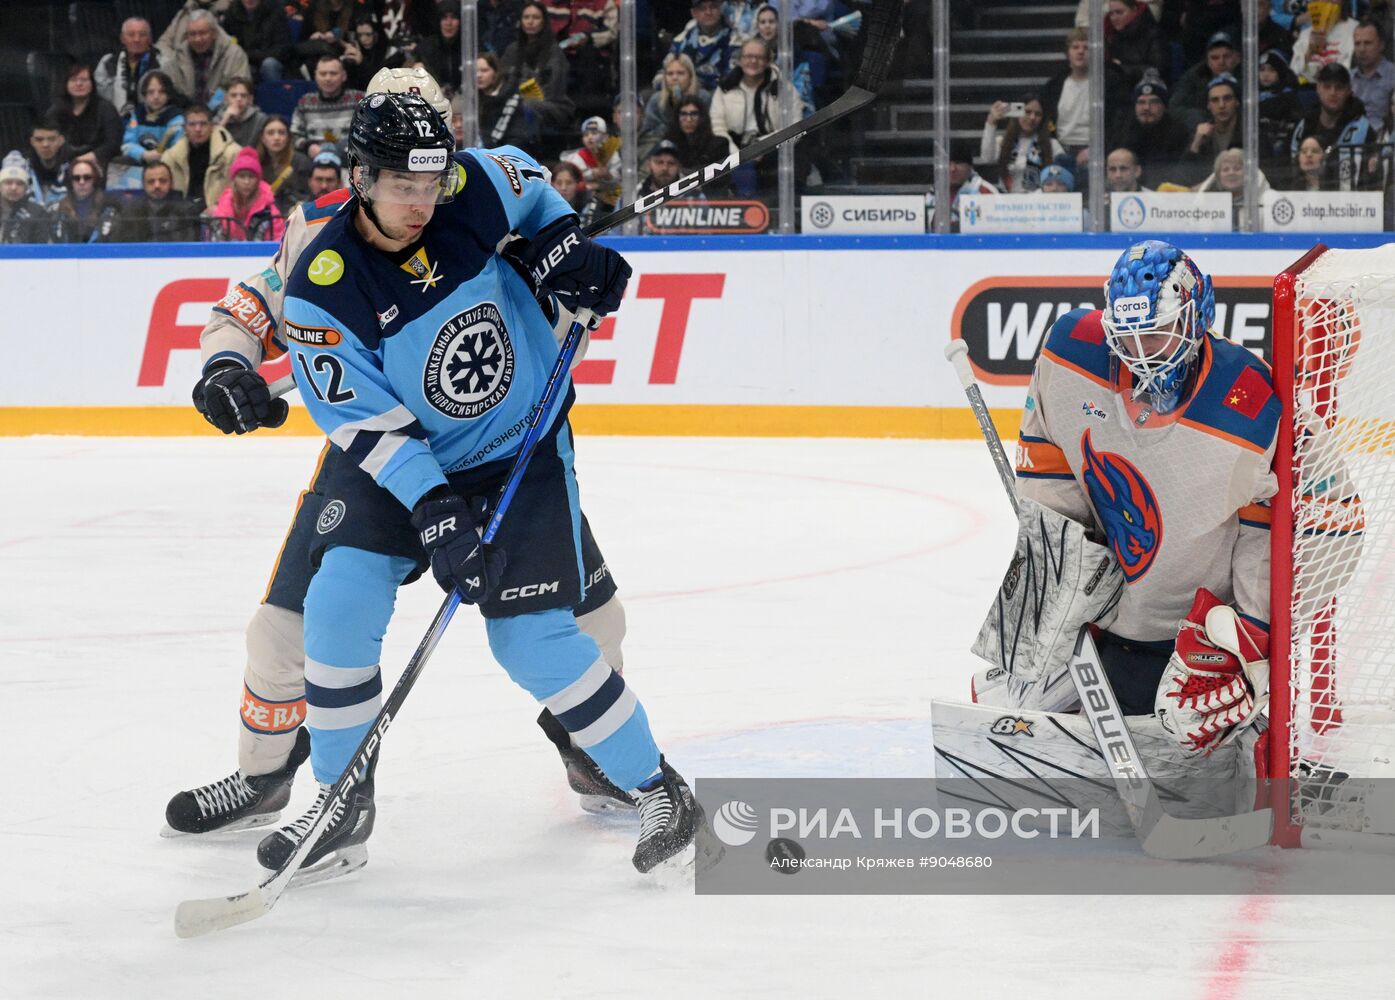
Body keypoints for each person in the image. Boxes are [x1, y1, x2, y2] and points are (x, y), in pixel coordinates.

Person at [164, 69, 640, 872]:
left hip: (498, 448)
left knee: (593, 618)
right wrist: (228, 365)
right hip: (381, 453)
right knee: (286, 631)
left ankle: (594, 751)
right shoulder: (324, 227)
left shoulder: (477, 194)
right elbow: (252, 307)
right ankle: (268, 775)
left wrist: (568, 266)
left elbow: (552, 288)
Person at [265, 92, 701, 877]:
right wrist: (436, 511)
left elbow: (529, 187)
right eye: (402, 186)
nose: (421, 203)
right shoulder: (322, 287)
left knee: (528, 639)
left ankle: (656, 785)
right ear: (360, 178)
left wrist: (562, 245)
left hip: (517, 449)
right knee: (336, 604)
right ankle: (339, 803)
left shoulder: (468, 187)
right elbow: (364, 422)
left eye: (430, 185)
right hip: (402, 465)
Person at [959, 241, 1283, 805]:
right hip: (1105, 608)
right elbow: (1049, 455)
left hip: (1191, 632)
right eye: (1126, 337)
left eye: (1154, 335)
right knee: (1005, 712)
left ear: (1196, 316)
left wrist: (1249, 632)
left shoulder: (1250, 398)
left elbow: (1271, 524)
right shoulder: (1070, 353)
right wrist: (1059, 561)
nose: (1139, 355)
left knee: (1195, 746)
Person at [1041, 27, 1125, 171]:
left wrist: (1099, 149)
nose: (1080, 51)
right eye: (1075, 47)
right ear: (1068, 52)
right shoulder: (1054, 85)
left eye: (1086, 47)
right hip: (1060, 151)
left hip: (1098, 153)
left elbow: (1119, 124)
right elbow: (1046, 121)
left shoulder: (1111, 83)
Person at [710, 39, 785, 196]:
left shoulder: (782, 88)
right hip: (733, 147)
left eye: (759, 57)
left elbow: (793, 125)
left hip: (770, 146)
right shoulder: (725, 87)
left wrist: (761, 146)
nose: (753, 61)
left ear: (768, 61)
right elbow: (717, 126)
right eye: (748, 56)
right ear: (740, 60)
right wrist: (737, 155)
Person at [499, 1, 574, 154]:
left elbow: (554, 89)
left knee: (526, 107)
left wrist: (524, 97)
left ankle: (526, 149)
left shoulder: (554, 51)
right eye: (526, 17)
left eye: (536, 17)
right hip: (517, 103)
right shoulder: (512, 50)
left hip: (552, 106)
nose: (530, 21)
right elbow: (502, 83)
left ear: (544, 21)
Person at [1289, 62, 1377, 191]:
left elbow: (1371, 178)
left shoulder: (1362, 129)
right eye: (1327, 86)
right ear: (1318, 88)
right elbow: (1291, 171)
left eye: (1339, 87)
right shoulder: (1304, 126)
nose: (1333, 92)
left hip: (1350, 200)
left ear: (1349, 90)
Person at [162, 9, 253, 108]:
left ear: (214, 33)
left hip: (224, 112)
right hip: (186, 113)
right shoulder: (177, 57)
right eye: (192, 34)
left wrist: (211, 109)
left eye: (202, 33)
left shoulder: (234, 55)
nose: (197, 39)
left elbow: (241, 91)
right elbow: (167, 90)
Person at [1113, 75, 1191, 188]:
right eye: (1141, 102)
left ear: (1164, 106)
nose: (1146, 107)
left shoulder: (1178, 132)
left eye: (1154, 102)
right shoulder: (1123, 130)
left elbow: (1179, 174)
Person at [47, 64, 125, 174]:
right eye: (73, 80)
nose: (79, 84)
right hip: (63, 164)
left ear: (92, 83)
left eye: (84, 80)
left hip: (99, 164)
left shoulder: (106, 109)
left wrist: (83, 160)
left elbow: (113, 143)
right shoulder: (56, 110)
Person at [163, 103, 242, 211]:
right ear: (184, 128)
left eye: (203, 124)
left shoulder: (233, 154)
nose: (198, 129)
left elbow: (239, 192)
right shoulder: (170, 157)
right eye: (192, 124)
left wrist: (219, 207)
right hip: (181, 215)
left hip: (219, 214)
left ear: (212, 126)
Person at [980, 95, 1065, 194]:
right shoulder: (1002, 142)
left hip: (1040, 199)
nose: (1032, 117)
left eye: (1038, 114)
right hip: (1008, 199)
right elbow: (987, 158)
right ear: (1017, 113)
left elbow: (1064, 175)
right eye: (1027, 112)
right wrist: (991, 122)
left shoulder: (1052, 145)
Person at [291, 55, 365, 158]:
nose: (328, 78)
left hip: (350, 158)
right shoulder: (305, 102)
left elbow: (369, 134)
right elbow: (293, 136)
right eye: (323, 74)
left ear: (344, 76)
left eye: (333, 73)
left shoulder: (359, 99)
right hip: (315, 161)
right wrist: (308, 147)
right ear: (315, 76)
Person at [208, 145, 286, 240]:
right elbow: (213, 243)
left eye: (251, 177)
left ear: (258, 180)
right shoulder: (220, 209)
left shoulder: (270, 212)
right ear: (234, 179)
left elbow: (278, 242)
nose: (246, 182)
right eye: (241, 176)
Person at [1171, 30, 1242, 131]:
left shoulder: (1249, 75)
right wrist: (1201, 119)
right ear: (1208, 61)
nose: (1221, 62)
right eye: (1215, 58)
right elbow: (1175, 107)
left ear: (1238, 58)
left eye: (1226, 56)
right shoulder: (1195, 75)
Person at [96, 17, 163, 119]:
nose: (137, 39)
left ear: (149, 39)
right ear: (122, 38)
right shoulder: (107, 62)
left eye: (142, 35)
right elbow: (101, 98)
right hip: (116, 120)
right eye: (131, 35)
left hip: (154, 120)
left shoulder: (163, 63)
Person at [119, 161, 201, 241]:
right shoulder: (131, 211)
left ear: (172, 184)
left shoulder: (187, 211)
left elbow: (191, 246)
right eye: (151, 182)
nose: (157, 186)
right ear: (144, 185)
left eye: (163, 181)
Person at [669, 0, 739, 94]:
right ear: (694, 13)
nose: (708, 12)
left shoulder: (734, 40)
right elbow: (665, 71)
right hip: (683, 90)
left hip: (718, 93)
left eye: (713, 7)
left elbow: (732, 77)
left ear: (720, 9)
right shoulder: (681, 40)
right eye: (702, 8)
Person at [1183, 74, 1242, 183]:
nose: (1221, 105)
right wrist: (1196, 144)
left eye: (1227, 98)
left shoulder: (1250, 132)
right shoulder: (1201, 134)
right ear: (1208, 105)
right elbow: (1183, 177)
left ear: (1237, 102)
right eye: (1215, 100)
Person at [220, 0, 294, 82]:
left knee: (269, 64)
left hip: (270, 58)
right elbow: (226, 43)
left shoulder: (275, 11)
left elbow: (283, 48)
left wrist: (251, 55)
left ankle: (274, 90)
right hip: (244, 60)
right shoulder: (232, 13)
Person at [49, 161, 122, 243]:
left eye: (87, 177)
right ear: (71, 181)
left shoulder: (109, 206)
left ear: (94, 179)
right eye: (76, 178)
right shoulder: (58, 208)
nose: (82, 182)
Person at [476, 52, 537, 149]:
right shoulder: (472, 99)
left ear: (495, 72)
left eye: (484, 70)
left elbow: (517, 137)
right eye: (475, 71)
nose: (478, 75)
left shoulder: (512, 100)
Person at [1195, 147, 1267, 228]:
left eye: (1237, 168)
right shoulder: (1207, 204)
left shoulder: (1267, 201)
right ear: (1218, 177)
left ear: (1248, 174)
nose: (1231, 173)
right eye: (1225, 170)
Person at [1257, 49, 1303, 173]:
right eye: (1262, 70)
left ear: (1281, 72)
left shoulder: (1289, 97)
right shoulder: (1252, 97)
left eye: (1271, 70)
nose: (1265, 74)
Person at [1103, 0, 1166, 90]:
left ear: (1134, 10)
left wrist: (1120, 68)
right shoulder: (1113, 36)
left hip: (1147, 89)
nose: (1114, 18)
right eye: (1111, 14)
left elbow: (1158, 70)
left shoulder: (1153, 34)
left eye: (1119, 12)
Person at [563, 116, 621, 211]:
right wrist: (592, 174)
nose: (589, 137)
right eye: (586, 135)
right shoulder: (576, 158)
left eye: (594, 133)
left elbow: (619, 183)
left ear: (605, 136)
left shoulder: (614, 156)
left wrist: (607, 177)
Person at [643, 53, 709, 139]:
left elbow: (707, 130)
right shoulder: (656, 100)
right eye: (670, 74)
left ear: (690, 76)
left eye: (680, 73)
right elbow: (648, 134)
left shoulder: (703, 97)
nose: (674, 78)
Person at [257, 115, 313, 212]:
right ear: (262, 138)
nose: (276, 138)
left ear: (288, 137)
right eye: (270, 133)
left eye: (281, 133)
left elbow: (308, 195)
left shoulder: (301, 162)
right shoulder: (256, 163)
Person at [1290, 6, 1355, 84]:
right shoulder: (1305, 34)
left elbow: (1348, 72)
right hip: (1308, 87)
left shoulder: (1355, 29)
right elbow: (1294, 72)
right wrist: (1309, 53)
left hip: (1339, 85)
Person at [665, 97, 730, 174]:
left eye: (694, 114)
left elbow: (722, 177)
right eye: (683, 114)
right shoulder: (669, 145)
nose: (689, 119)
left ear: (702, 117)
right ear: (677, 118)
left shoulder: (719, 145)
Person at [1350, 19, 1395, 131]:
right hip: (1349, 136)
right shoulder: (1348, 78)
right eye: (1357, 44)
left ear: (1381, 45)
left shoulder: (1392, 75)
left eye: (1368, 43)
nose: (1362, 49)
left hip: (1382, 137)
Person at [414, 1, 465, 96]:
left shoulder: (468, 46)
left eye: (453, 18)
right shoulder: (425, 47)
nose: (448, 23)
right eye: (444, 18)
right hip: (433, 96)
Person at [0, 154, 51, 244]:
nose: (14, 188)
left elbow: (41, 248)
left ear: (26, 188)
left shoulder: (38, 213)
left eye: (19, 183)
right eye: (8, 182)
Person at [24, 119, 75, 206]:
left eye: (51, 139)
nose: (45, 144)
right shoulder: (22, 168)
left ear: (61, 140)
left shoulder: (76, 168)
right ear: (32, 142)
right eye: (39, 140)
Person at [217, 77, 269, 148]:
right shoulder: (218, 118)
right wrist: (225, 120)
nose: (239, 99)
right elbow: (212, 144)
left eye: (243, 96)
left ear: (250, 99)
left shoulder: (261, 119)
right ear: (226, 99)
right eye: (233, 95)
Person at [548, 158, 597, 226]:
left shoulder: (591, 205)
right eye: (559, 183)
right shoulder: (546, 207)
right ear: (552, 185)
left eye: (569, 183)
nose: (563, 188)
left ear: (578, 185)